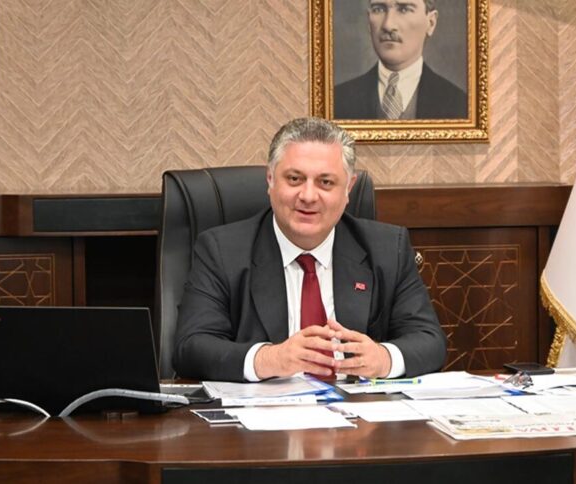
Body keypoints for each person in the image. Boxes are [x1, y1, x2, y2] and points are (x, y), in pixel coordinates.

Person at [173, 117, 446, 382]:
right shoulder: (221, 251)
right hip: (264, 410)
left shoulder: (387, 248)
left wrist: (384, 358)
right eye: (294, 179)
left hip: (357, 409)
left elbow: (430, 341)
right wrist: (268, 358)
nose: (308, 196)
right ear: (270, 179)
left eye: (326, 182)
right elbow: (191, 348)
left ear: (348, 188)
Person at [334, 0, 467, 120]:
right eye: (378, 9)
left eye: (404, 9)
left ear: (431, 23)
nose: (388, 25)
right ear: (369, 20)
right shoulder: (336, 101)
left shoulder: (460, 105)